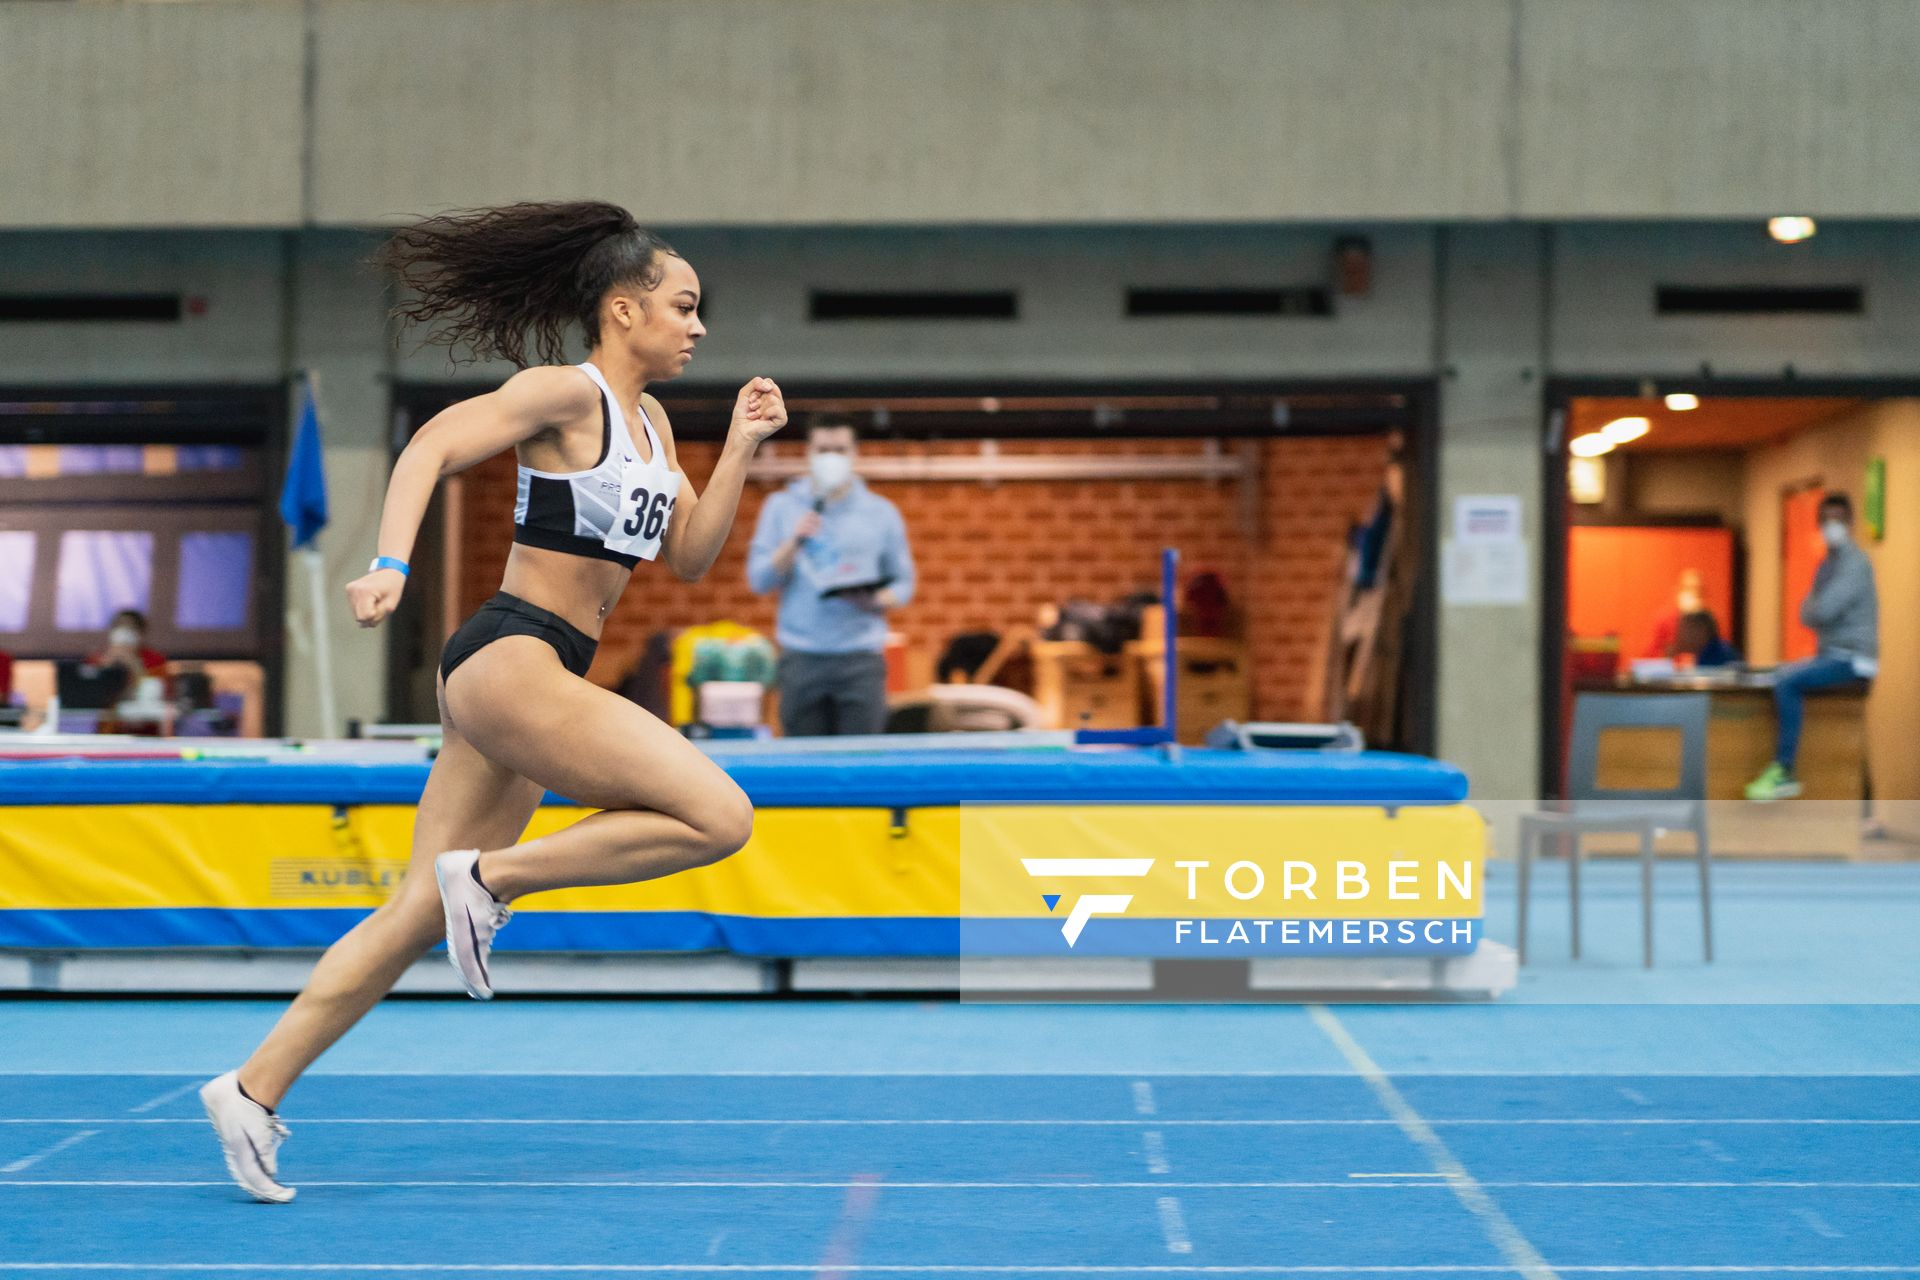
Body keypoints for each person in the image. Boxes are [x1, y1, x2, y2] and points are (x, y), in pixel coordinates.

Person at [198, 200, 787, 1202]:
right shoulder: (567, 393)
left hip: (535, 671)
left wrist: (737, 447)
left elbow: (689, 556)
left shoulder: (652, 426)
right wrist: (387, 562)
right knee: (719, 814)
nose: (697, 326)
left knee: (416, 909)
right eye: (683, 306)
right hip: (514, 652)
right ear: (621, 307)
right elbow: (430, 444)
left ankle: (250, 1089)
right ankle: (497, 878)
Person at [746, 417, 916, 736]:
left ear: (854, 453)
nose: (831, 458)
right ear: (809, 452)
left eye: (839, 449)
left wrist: (873, 599)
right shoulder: (780, 507)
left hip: (861, 660)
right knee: (802, 767)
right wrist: (793, 543)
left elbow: (904, 585)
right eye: (823, 449)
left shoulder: (882, 513)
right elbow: (759, 580)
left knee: (862, 767)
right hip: (801, 659)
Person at [1746, 491, 1878, 802]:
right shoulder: (1827, 565)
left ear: (1850, 522)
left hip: (1854, 660)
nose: (1831, 526)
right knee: (1782, 672)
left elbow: (1821, 611)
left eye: (1838, 519)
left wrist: (1816, 608)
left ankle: (1784, 769)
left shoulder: (1855, 564)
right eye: (1825, 520)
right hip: (1831, 655)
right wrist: (1816, 608)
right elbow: (1805, 613)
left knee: (1788, 682)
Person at [89, 608, 168, 694]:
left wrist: (135, 665)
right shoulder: (96, 658)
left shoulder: (156, 660)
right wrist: (105, 666)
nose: (124, 632)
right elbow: (88, 689)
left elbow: (162, 692)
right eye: (119, 626)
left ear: (141, 633)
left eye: (130, 627)